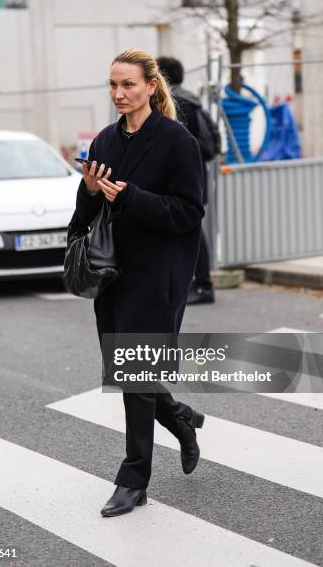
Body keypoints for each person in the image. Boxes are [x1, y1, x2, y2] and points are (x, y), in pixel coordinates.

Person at [71, 48, 206, 517]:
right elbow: (86, 213)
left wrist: (132, 198)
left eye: (128, 84)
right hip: (112, 273)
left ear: (151, 86)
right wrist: (90, 191)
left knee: (135, 376)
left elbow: (189, 212)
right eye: (113, 85)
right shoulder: (105, 141)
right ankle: (180, 418)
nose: (119, 93)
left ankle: (134, 479)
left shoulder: (177, 142)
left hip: (157, 272)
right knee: (127, 370)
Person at [157, 56, 220, 305]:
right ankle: (196, 282)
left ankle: (204, 284)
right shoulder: (192, 99)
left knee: (193, 229)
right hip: (196, 174)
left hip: (185, 177)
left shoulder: (178, 103)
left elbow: (176, 145)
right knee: (190, 228)